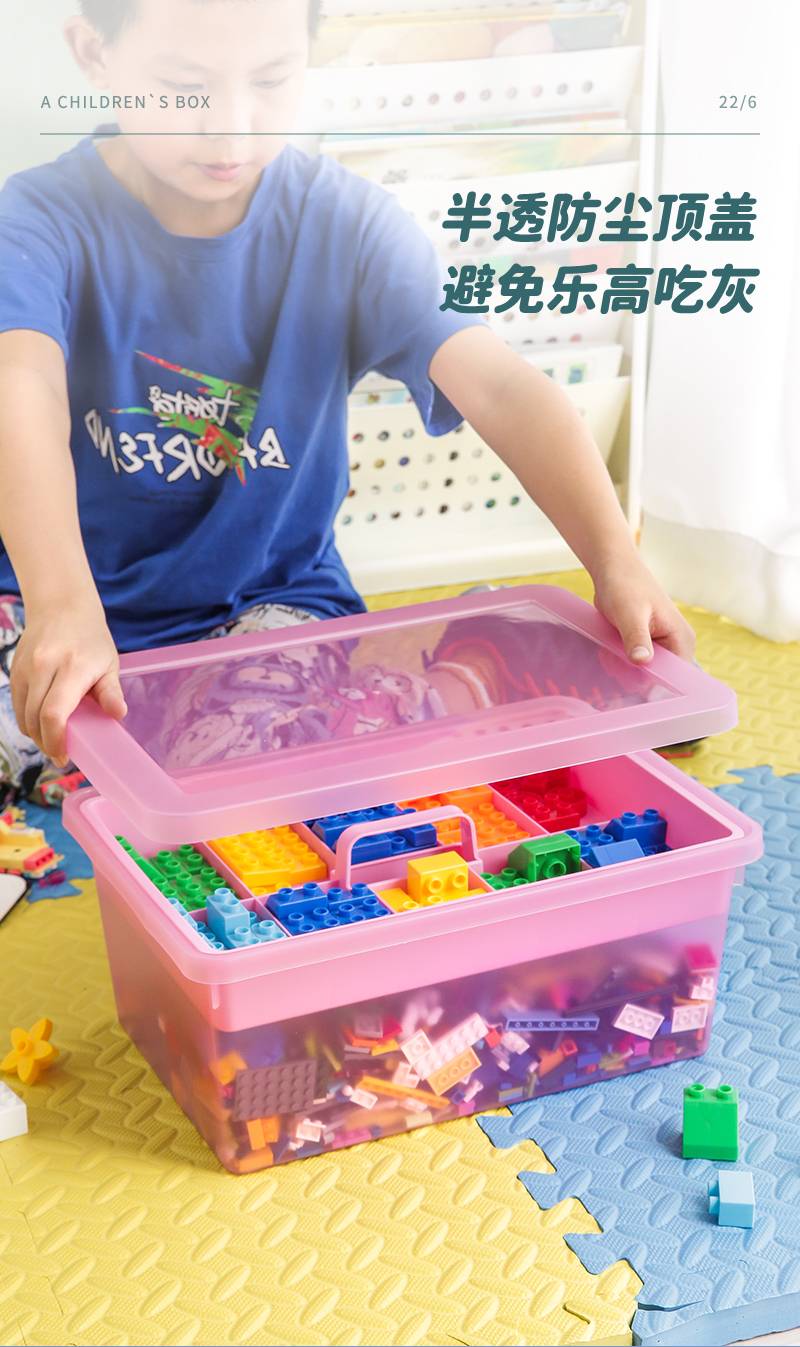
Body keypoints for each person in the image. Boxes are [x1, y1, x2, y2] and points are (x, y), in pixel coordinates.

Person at [0, 0, 695, 802]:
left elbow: (502, 386)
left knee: (246, 769)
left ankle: (480, 665)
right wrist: (62, 603)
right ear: (95, 54)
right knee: (54, 745)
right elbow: (21, 384)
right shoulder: (35, 220)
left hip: (261, 609)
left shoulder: (349, 226)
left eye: (271, 80)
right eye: (186, 88)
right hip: (49, 598)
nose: (232, 130)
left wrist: (617, 563)